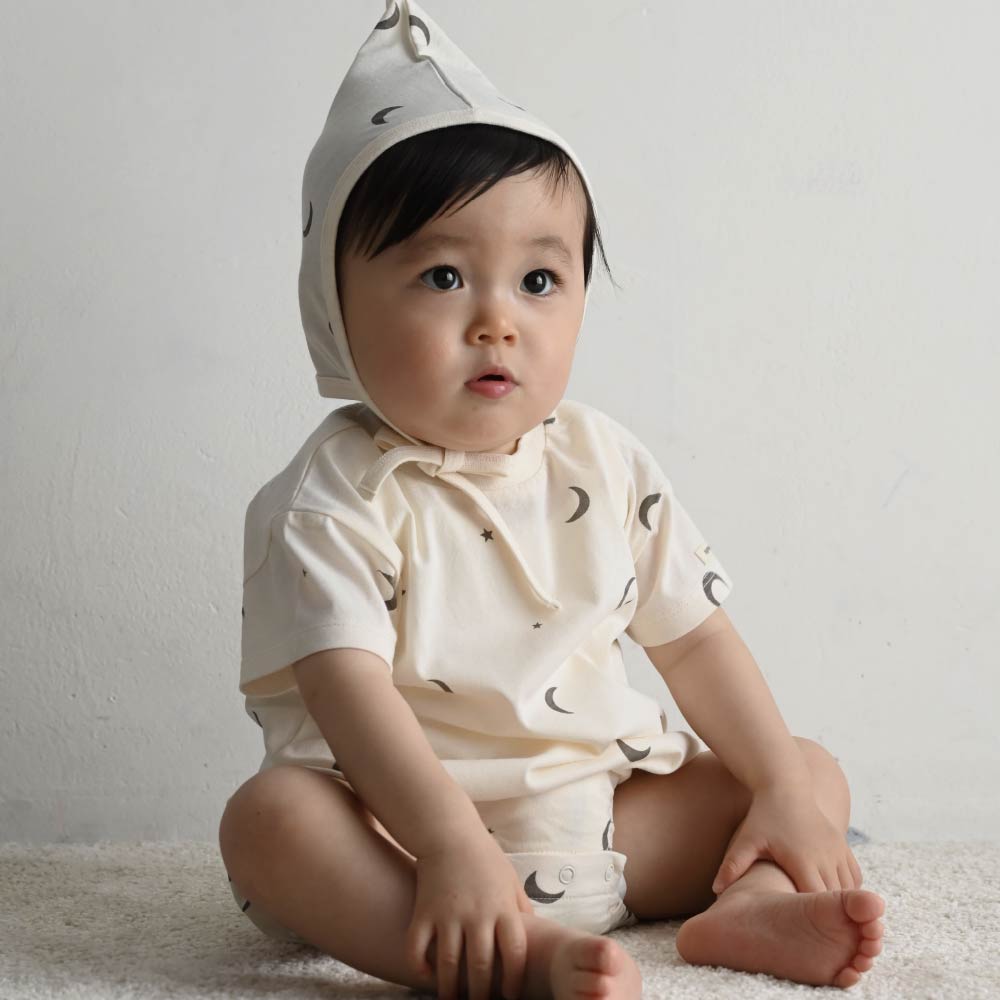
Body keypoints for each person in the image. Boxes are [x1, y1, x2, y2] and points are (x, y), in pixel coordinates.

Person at [218, 2, 886, 998]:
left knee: (805, 767)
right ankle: (511, 959)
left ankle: (744, 907)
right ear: (335, 308)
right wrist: (450, 844)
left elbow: (695, 641)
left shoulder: (603, 461)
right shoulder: (332, 497)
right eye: (443, 275)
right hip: (404, 845)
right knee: (269, 822)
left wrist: (782, 789)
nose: (497, 321)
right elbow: (346, 692)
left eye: (538, 279)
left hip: (604, 823)